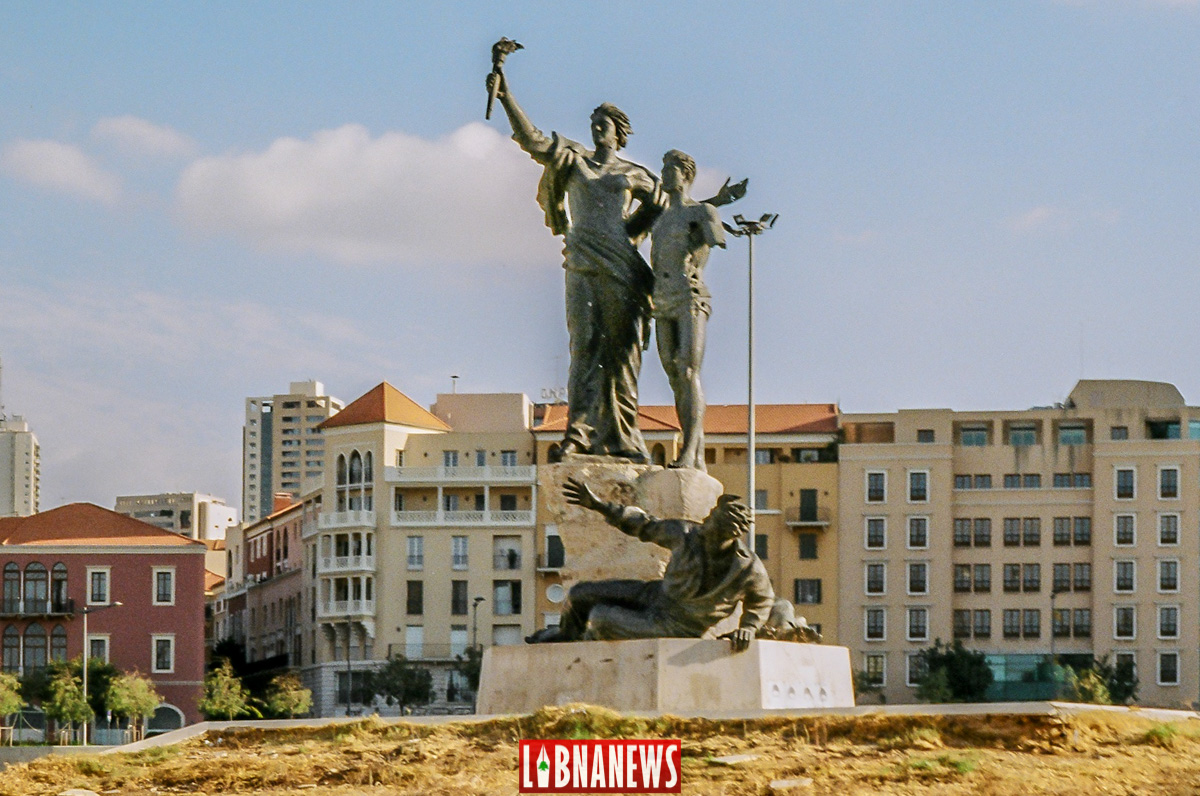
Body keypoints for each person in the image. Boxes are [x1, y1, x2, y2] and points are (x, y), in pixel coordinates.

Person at [488, 69, 663, 462]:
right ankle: (579, 435)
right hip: (581, 263)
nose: (596, 128)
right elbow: (532, 140)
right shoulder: (573, 159)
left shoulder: (634, 174)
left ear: (619, 132)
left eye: (604, 124)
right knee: (583, 349)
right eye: (593, 123)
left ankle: (623, 436)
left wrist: (632, 233)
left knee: (622, 355)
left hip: (621, 268)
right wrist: (505, 95)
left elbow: (666, 208)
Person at [526, 476, 776, 651]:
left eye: (711, 521)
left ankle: (581, 647)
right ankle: (566, 634)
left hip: (680, 625)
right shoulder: (686, 533)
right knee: (580, 593)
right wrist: (600, 506)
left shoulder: (747, 568)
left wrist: (748, 627)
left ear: (727, 533)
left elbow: (762, 601)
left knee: (600, 618)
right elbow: (644, 524)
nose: (705, 522)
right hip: (656, 594)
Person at [650, 150, 740, 470]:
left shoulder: (701, 212)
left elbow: (714, 237)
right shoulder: (661, 218)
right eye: (663, 169)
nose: (664, 174)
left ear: (685, 174)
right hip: (661, 300)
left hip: (690, 296)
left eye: (670, 169)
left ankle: (690, 451)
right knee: (674, 377)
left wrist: (713, 210)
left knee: (688, 371)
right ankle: (696, 454)